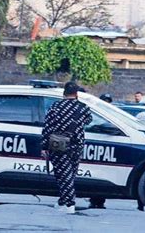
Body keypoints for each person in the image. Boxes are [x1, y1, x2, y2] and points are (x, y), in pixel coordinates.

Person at [41, 82, 92, 214]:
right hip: (77, 144)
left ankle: (69, 203)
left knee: (62, 174)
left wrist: (44, 146)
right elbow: (88, 120)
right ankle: (63, 201)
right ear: (76, 93)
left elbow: (48, 127)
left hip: (58, 143)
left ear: (64, 92)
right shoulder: (83, 107)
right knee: (71, 173)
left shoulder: (56, 106)